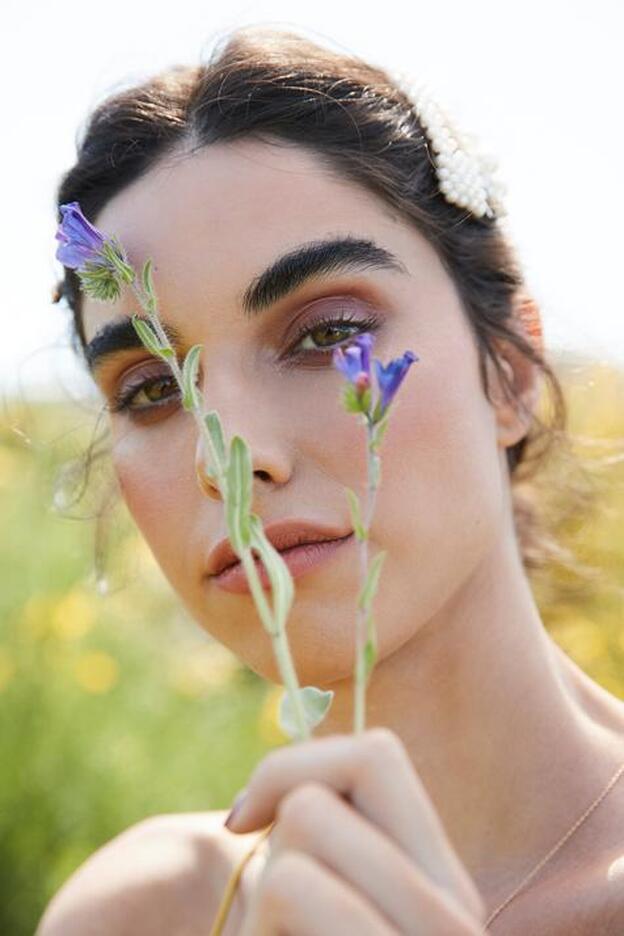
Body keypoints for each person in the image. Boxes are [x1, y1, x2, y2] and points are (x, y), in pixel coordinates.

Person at [37, 25, 624, 935]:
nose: (230, 456)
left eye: (325, 334)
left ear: (507, 373)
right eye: (153, 388)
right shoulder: (144, 913)